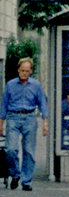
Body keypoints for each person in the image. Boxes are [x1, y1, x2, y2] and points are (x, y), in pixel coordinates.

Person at [1, 58, 50, 190]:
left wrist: (45, 123)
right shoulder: (10, 85)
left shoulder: (36, 85)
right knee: (11, 149)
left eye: (27, 71)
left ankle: (26, 181)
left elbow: (42, 104)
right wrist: (1, 124)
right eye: (22, 71)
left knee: (29, 151)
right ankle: (15, 174)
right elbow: (4, 104)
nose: (24, 73)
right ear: (18, 70)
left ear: (31, 71)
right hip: (13, 116)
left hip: (29, 117)